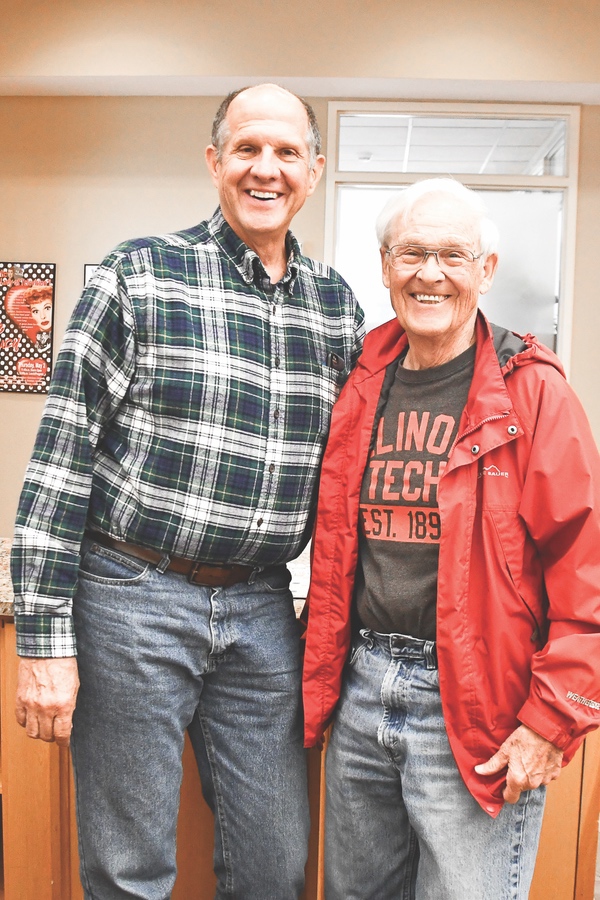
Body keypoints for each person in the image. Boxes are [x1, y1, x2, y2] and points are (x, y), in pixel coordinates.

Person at [11, 83, 364, 900]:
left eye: (285, 153)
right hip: (132, 596)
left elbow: (358, 464)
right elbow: (60, 462)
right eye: (246, 149)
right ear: (214, 163)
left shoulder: (336, 308)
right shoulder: (140, 275)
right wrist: (42, 640)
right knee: (129, 867)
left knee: (275, 860)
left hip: (263, 608)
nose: (264, 168)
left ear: (313, 171)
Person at [302, 177, 600, 899]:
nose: (429, 273)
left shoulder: (531, 391)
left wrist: (552, 720)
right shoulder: (360, 381)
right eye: (411, 254)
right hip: (363, 690)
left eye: (452, 256)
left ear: (485, 271)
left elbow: (584, 567)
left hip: (477, 707)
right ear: (384, 265)